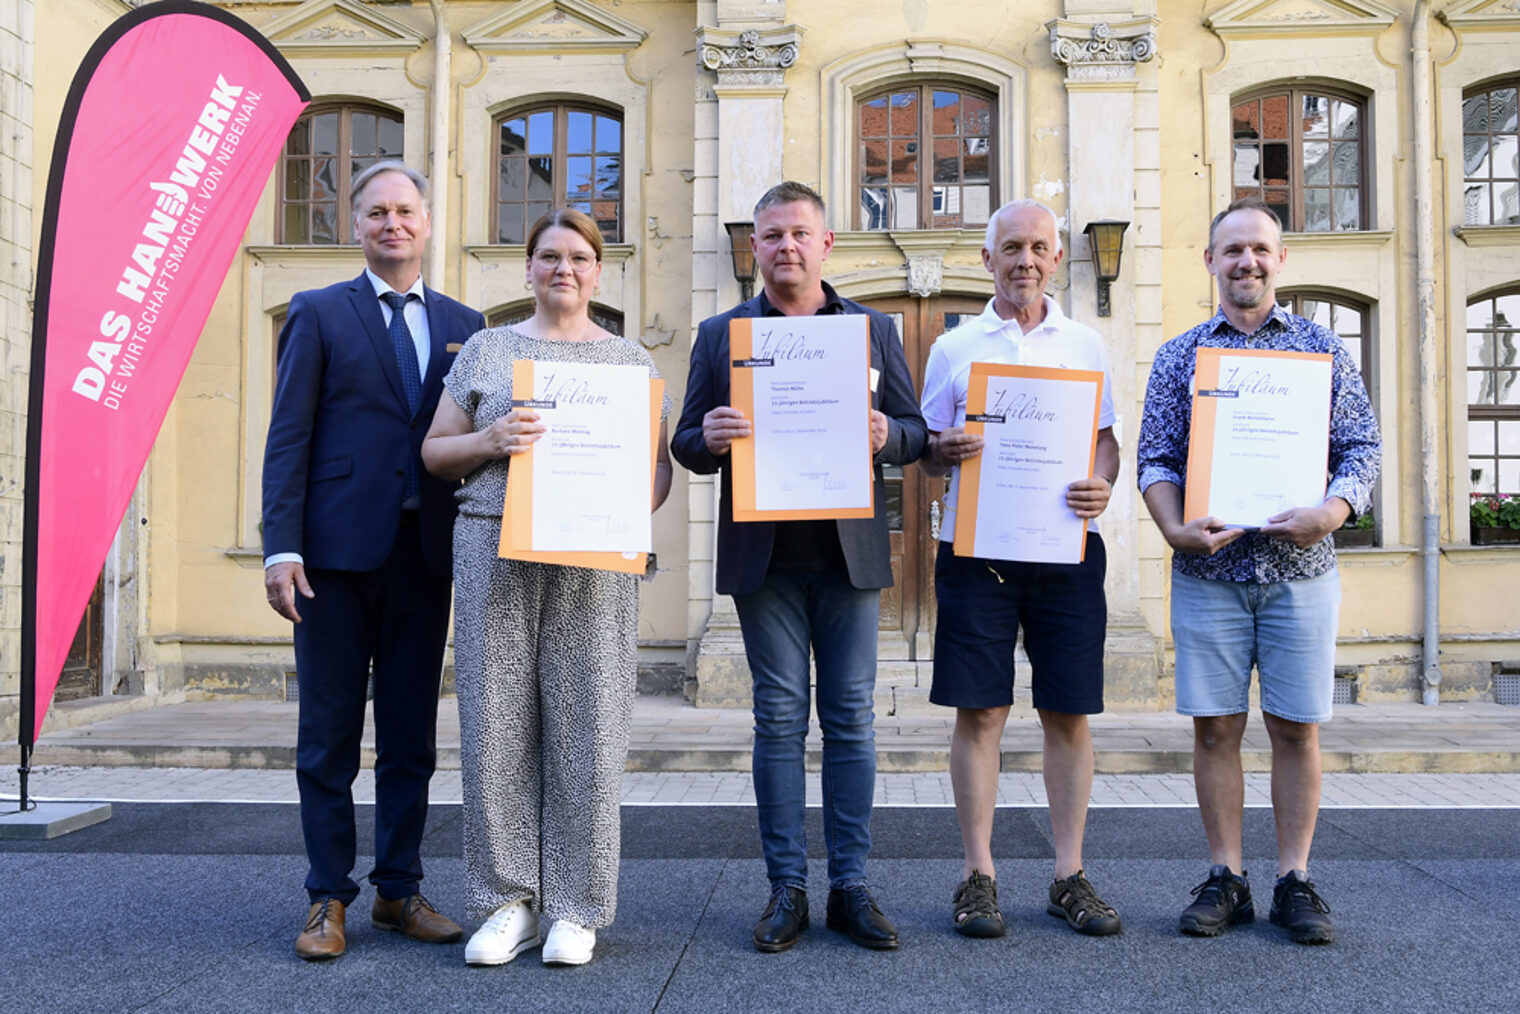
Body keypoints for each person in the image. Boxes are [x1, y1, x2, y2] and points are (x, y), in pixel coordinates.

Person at [671, 182, 927, 953]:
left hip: (849, 557)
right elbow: (684, 444)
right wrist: (708, 434)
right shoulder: (722, 335)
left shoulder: (872, 331)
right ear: (756, 246)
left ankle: (849, 883)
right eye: (771, 235)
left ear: (827, 245)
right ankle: (787, 886)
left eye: (799, 234)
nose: (785, 246)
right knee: (778, 721)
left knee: (849, 720)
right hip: (767, 558)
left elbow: (918, 436)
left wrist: (888, 433)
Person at [421, 208, 672, 968]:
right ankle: (506, 902)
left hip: (593, 556)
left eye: (579, 257)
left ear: (600, 271)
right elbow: (435, 452)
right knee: (495, 722)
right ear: (527, 268)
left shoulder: (633, 362)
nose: (564, 268)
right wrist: (489, 441)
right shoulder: (488, 350)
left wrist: (627, 500)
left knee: (590, 721)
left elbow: (656, 474)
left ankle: (577, 904)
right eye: (549, 256)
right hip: (493, 542)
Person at [1136, 197, 1380, 945]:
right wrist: (1174, 529)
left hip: (1300, 572)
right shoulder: (1181, 354)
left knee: (1296, 730)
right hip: (1208, 577)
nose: (1246, 261)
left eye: (1260, 250)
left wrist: (1332, 514)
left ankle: (1295, 880)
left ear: (1280, 260)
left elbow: (1361, 451)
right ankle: (1227, 878)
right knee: (1214, 731)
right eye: (1231, 249)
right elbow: (1156, 458)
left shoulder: (1322, 349)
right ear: (1210, 260)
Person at [262, 161, 482, 960]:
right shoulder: (319, 313)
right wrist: (280, 546)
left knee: (411, 737)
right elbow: (288, 435)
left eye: (406, 211)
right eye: (376, 212)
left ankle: (398, 890)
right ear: (355, 224)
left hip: (425, 559)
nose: (393, 224)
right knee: (326, 734)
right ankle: (327, 898)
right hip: (331, 561)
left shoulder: (469, 321)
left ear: (428, 223)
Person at [918, 200, 1122, 939]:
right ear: (987, 259)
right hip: (978, 550)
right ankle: (979, 875)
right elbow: (926, 443)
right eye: (1011, 248)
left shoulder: (1087, 345)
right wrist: (945, 451)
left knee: (1068, 711)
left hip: (1065, 548)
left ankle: (1069, 874)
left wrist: (1102, 482)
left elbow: (1106, 442)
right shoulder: (956, 346)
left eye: (1038, 247)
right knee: (982, 712)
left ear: (1057, 257)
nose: (1025, 260)